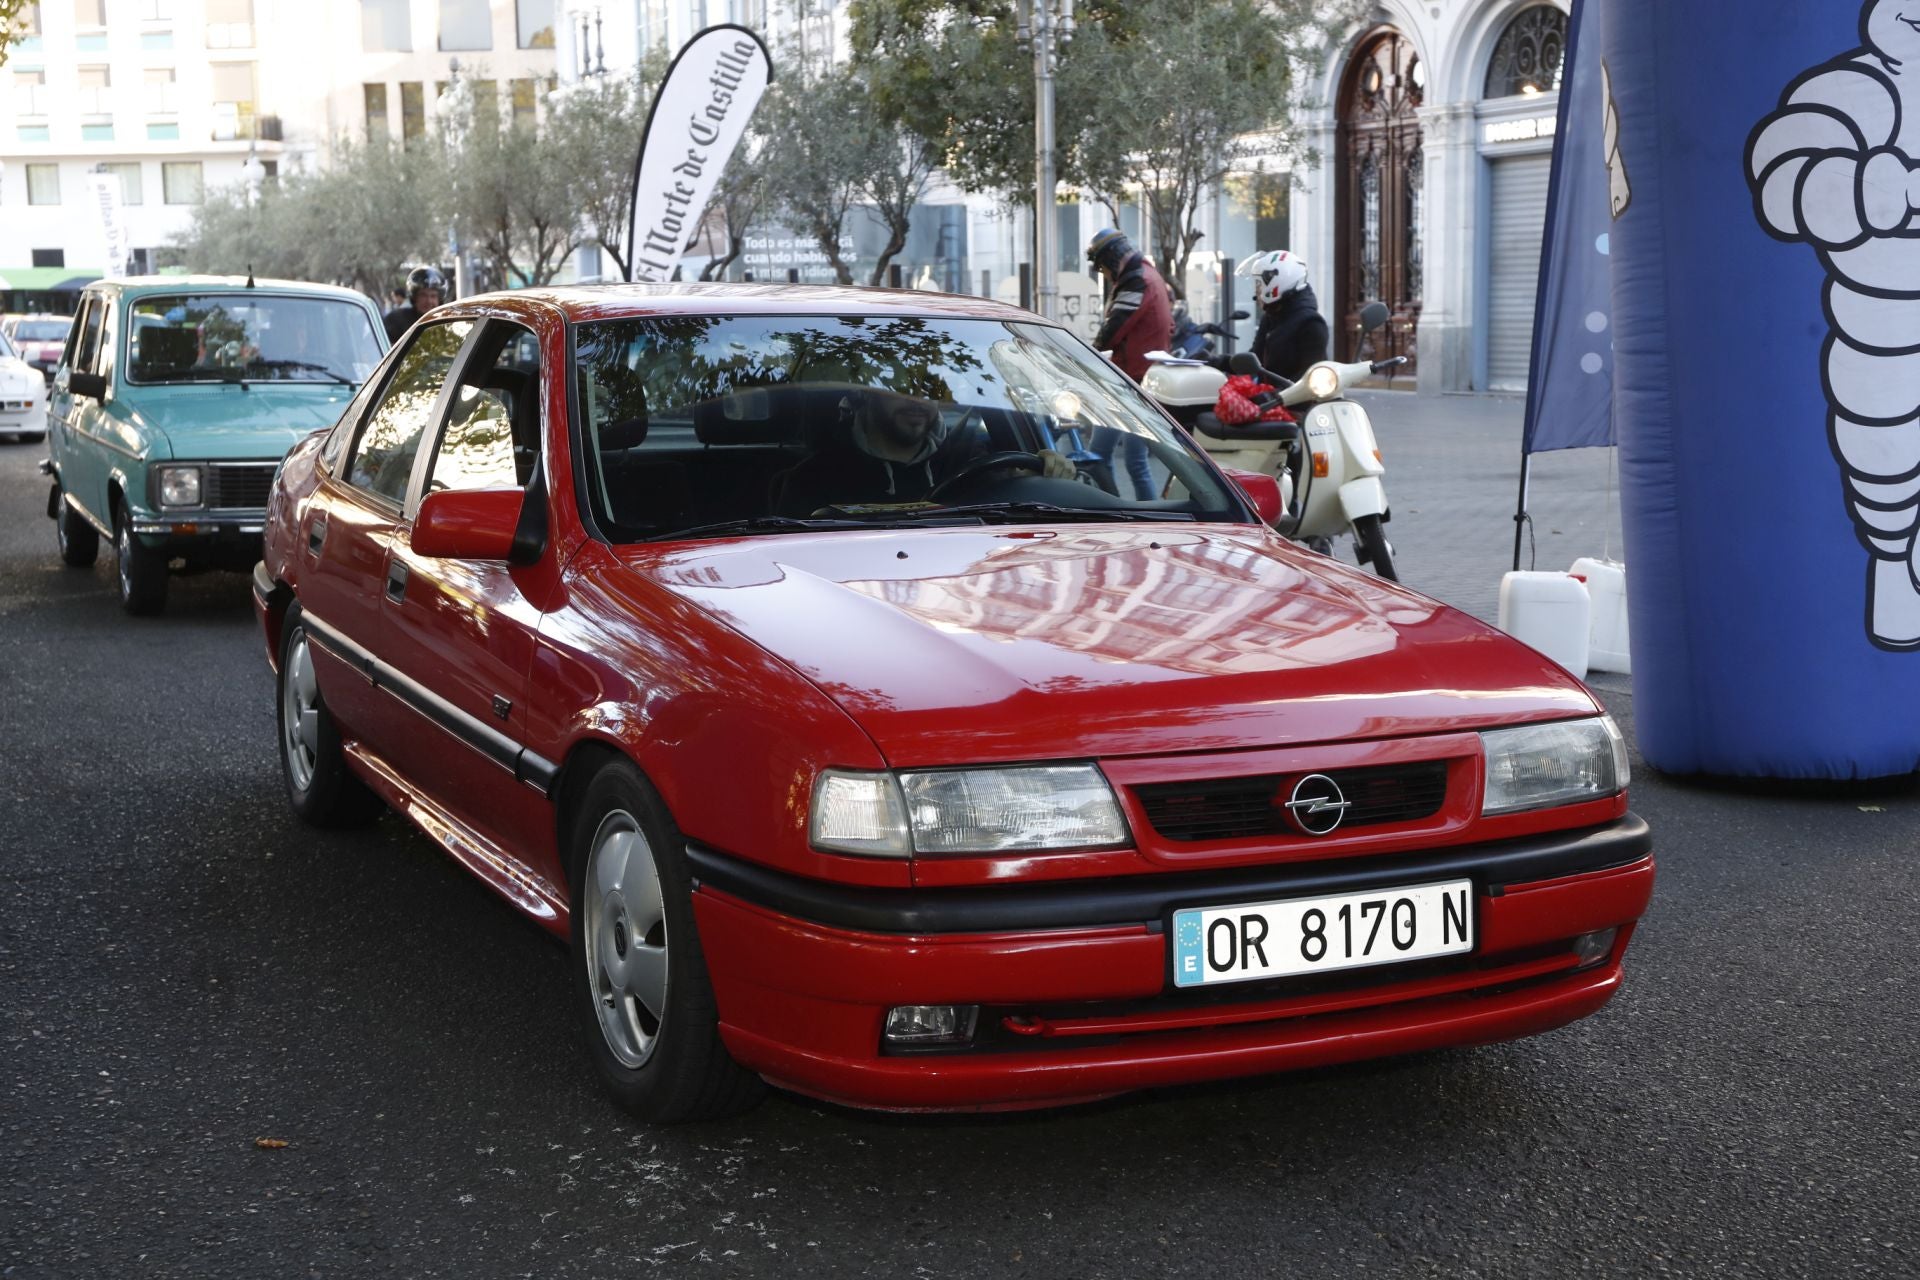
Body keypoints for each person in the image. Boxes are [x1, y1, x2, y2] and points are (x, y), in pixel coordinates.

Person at [777, 386, 1074, 516]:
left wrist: (1049, 471)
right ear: (864, 394)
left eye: (929, 390)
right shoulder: (812, 479)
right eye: (901, 389)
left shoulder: (976, 463)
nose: (917, 401)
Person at [1086, 229, 1171, 500]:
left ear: (1110, 259)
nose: (1104, 275)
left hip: (1128, 383)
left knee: (1097, 455)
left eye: (1101, 267)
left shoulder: (1136, 281)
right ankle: (1147, 517)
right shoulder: (1150, 274)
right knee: (1135, 462)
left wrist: (1084, 356)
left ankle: (1110, 509)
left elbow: (1113, 329)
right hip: (1143, 381)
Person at [1238, 249, 1329, 384]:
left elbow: (1309, 377)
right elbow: (1254, 359)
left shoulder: (1312, 324)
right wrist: (1215, 362)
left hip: (1299, 402)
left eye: (1259, 284)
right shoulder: (1271, 317)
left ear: (1277, 283)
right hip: (1269, 399)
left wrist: (1275, 396)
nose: (1256, 290)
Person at [383, 266, 445, 343]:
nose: (429, 301)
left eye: (433, 296)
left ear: (439, 299)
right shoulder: (397, 320)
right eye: (423, 295)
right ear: (414, 297)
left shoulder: (446, 323)